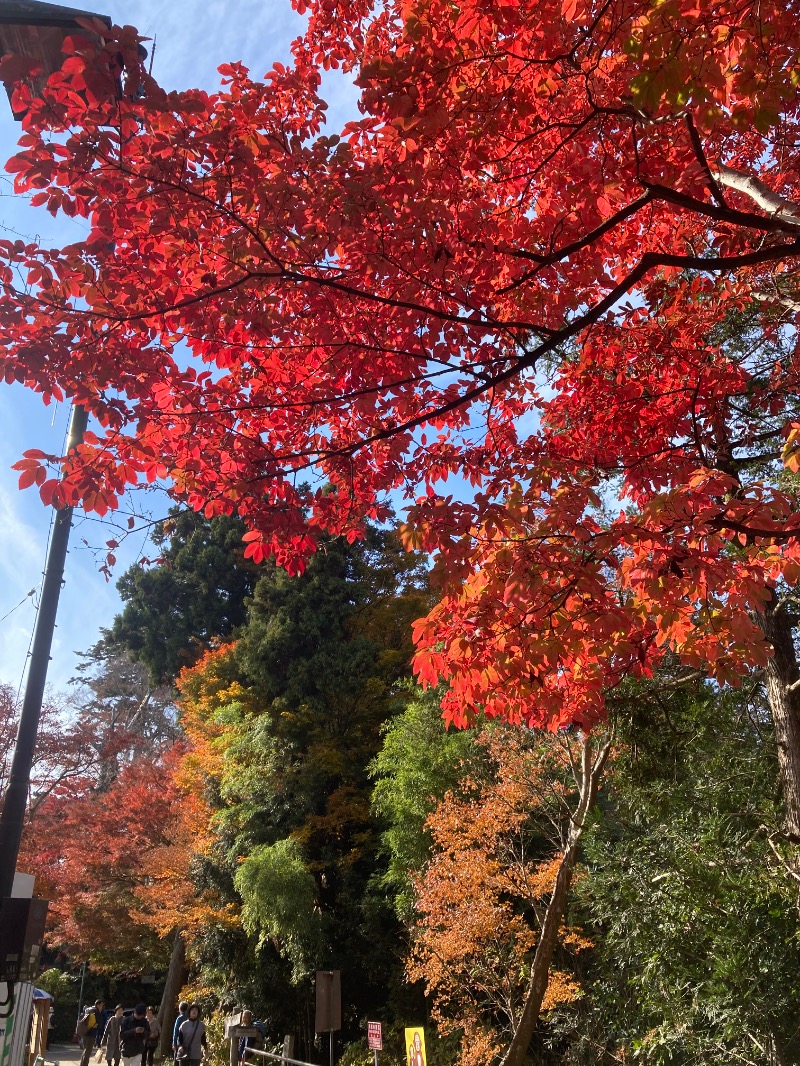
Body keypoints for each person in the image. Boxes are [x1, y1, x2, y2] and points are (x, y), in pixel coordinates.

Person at [79, 1000, 106, 1066]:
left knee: (85, 1051)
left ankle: (82, 1064)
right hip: (91, 1034)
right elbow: (100, 1025)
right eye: (101, 1005)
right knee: (88, 1052)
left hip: (84, 1032)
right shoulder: (96, 1012)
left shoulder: (88, 1009)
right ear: (98, 1005)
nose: (102, 1007)